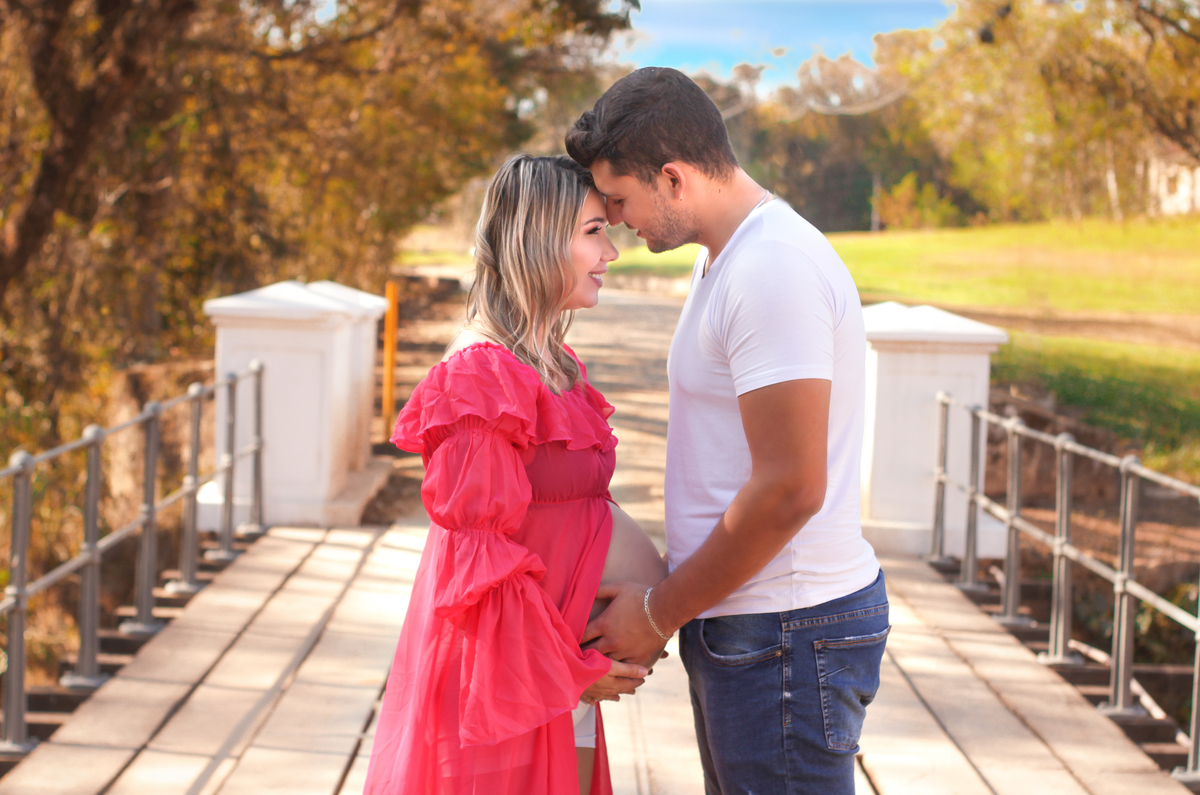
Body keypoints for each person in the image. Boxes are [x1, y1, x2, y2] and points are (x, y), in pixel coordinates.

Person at [566, 67, 889, 795]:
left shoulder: (771, 267)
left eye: (620, 199)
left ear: (674, 178)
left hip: (786, 630)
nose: (616, 220)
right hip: (754, 623)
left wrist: (658, 611)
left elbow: (790, 487)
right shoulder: (728, 259)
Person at [363, 154, 667, 795]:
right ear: (534, 238)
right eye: (592, 232)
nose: (611, 251)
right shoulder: (481, 375)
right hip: (515, 679)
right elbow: (476, 562)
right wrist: (569, 669)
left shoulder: (551, 364)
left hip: (553, 667)